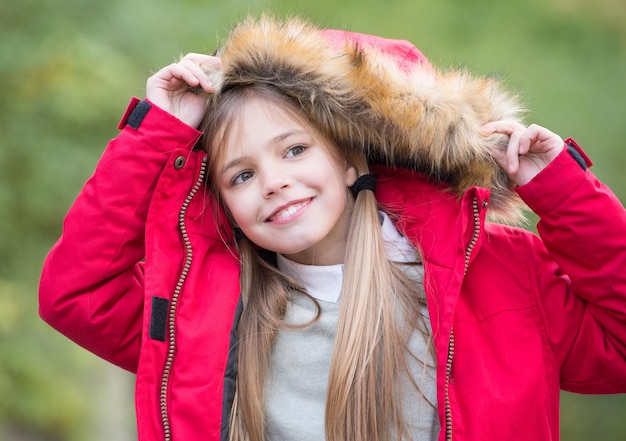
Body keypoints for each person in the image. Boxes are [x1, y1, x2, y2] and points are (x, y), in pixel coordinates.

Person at [38, 15, 626, 441]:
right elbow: (76, 295)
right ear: (221, 199)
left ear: (350, 159)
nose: (271, 181)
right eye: (241, 175)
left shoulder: (495, 273)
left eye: (294, 150)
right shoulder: (204, 299)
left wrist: (563, 191)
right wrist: (158, 134)